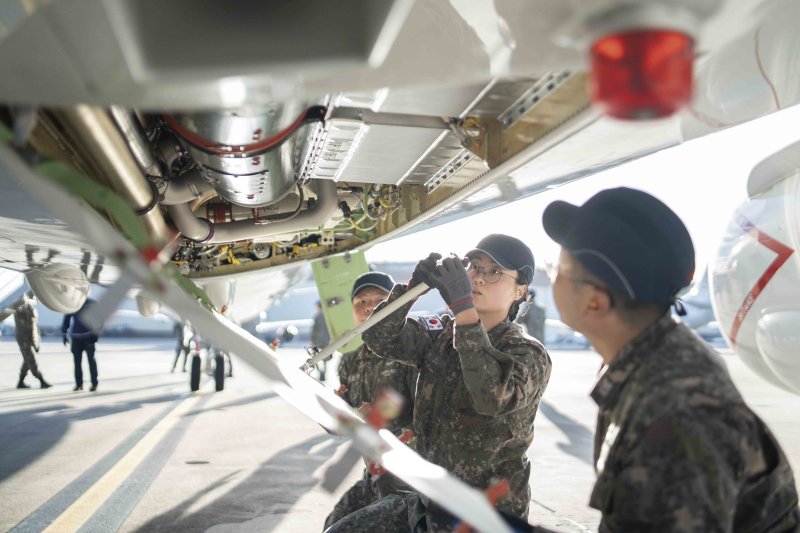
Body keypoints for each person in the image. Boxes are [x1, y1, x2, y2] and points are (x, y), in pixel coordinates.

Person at [541, 187, 800, 531]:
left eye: (556, 268)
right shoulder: (652, 362)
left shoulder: (677, 412)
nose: (550, 276)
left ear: (594, 302)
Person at [327, 234, 552, 532]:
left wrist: (462, 308)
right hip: (428, 498)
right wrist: (411, 289)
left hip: (484, 513)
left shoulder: (527, 352)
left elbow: (491, 395)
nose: (478, 278)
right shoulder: (442, 335)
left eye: (494, 272)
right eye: (474, 267)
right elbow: (380, 338)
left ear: (520, 291)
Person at [324, 271, 419, 530]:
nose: (369, 308)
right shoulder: (350, 361)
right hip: (374, 473)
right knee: (333, 522)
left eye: (379, 300)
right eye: (361, 302)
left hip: (408, 477)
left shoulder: (411, 353)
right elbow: (340, 422)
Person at [12, 293, 51, 389]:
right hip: (25, 339)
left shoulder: (30, 307)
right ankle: (41, 380)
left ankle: (20, 382)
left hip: (30, 338)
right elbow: (27, 326)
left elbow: (34, 326)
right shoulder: (21, 308)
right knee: (31, 359)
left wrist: (36, 340)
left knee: (27, 360)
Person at [62, 297, 100, 392]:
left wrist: (96, 334)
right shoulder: (74, 304)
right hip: (76, 338)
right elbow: (67, 318)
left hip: (89, 337)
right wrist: (64, 334)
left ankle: (94, 383)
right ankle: (79, 384)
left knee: (91, 360)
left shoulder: (92, 303)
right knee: (77, 362)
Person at [311, 301, 331, 381]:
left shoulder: (317, 316)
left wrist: (312, 340)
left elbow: (314, 329)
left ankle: (320, 373)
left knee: (315, 357)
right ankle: (324, 373)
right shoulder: (328, 315)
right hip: (327, 340)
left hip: (317, 341)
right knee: (325, 358)